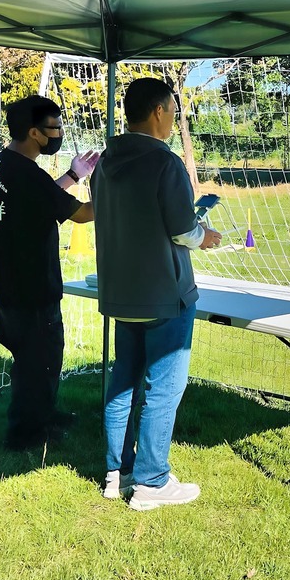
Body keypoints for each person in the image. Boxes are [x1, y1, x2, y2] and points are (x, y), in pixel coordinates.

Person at [92, 77, 221, 510]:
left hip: (119, 293)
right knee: (164, 385)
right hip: (165, 295)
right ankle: (151, 482)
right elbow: (183, 229)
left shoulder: (107, 162)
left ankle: (118, 472)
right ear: (159, 112)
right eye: (172, 110)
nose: (174, 119)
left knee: (123, 379)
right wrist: (205, 235)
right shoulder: (166, 164)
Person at [0, 96, 100, 451]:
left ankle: (44, 415)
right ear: (34, 132)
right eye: (55, 128)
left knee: (33, 359)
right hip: (32, 286)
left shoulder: (3, 162)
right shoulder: (28, 173)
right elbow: (81, 214)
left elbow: (42, 197)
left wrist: (72, 175)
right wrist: (111, 189)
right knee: (40, 362)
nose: (60, 134)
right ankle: (24, 435)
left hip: (9, 284)